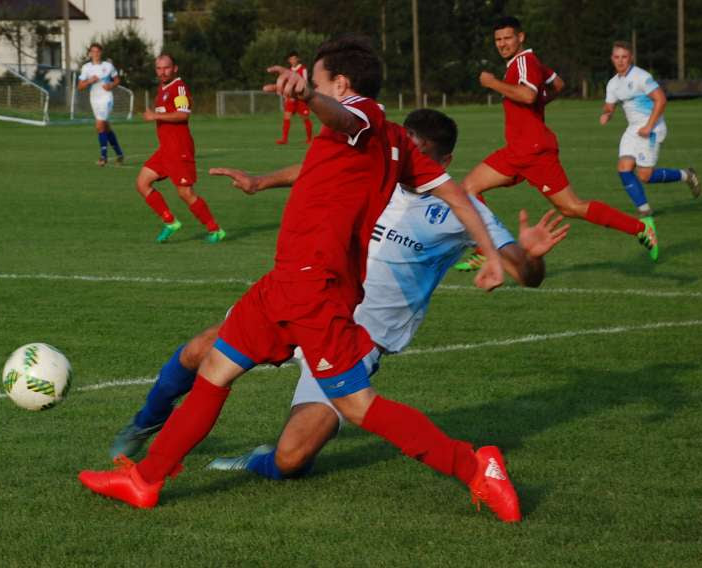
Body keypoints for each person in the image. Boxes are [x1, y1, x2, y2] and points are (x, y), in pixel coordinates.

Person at [78, 36, 520, 522]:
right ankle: (145, 480)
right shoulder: (397, 143)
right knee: (215, 369)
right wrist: (490, 252)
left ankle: (476, 467)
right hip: (287, 282)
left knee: (358, 407)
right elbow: (456, 195)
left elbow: (348, 118)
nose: (311, 85)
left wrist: (309, 97)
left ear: (342, 83)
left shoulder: (365, 117)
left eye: (317, 78)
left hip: (314, 288)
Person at [109, 110, 568, 507]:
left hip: (355, 339)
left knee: (292, 458)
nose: (406, 159)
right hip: (311, 299)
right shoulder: (380, 170)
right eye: (404, 147)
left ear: (443, 161)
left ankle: (256, 460)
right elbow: (316, 169)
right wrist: (262, 181)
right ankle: (144, 426)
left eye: (420, 153)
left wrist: (531, 256)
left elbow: (525, 274)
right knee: (200, 351)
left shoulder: (461, 208)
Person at [458, 16, 659, 266]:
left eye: (508, 38)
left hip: (533, 152)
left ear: (521, 37)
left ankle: (640, 228)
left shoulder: (524, 62)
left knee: (571, 207)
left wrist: (492, 83)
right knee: (468, 188)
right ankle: (484, 248)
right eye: (498, 39)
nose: (502, 43)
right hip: (518, 150)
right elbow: (558, 84)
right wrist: (535, 102)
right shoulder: (529, 62)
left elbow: (529, 95)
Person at [600, 40, 700, 218]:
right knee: (624, 168)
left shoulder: (641, 77)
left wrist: (649, 126)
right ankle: (644, 210)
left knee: (645, 176)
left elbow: (661, 99)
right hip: (633, 129)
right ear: (612, 58)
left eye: (624, 57)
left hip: (652, 128)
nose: (620, 61)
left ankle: (686, 175)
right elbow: (610, 105)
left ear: (631, 57)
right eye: (617, 57)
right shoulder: (613, 83)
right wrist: (607, 114)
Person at [136, 53, 225, 244]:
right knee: (142, 183)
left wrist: (155, 117)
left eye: (166, 68)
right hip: (165, 150)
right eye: (159, 68)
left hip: (179, 149)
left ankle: (215, 229)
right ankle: (170, 222)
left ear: (175, 68)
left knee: (185, 193)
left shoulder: (180, 88)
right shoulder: (162, 89)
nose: (162, 72)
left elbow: (183, 115)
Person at [77, 43, 124, 167]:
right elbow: (80, 87)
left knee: (99, 125)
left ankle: (103, 157)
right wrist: (89, 81)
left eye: (97, 51)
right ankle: (119, 154)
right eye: (93, 51)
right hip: (94, 99)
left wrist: (111, 85)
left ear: (101, 52)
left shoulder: (108, 66)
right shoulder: (86, 68)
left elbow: (117, 80)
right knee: (105, 127)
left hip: (106, 98)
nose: (95, 54)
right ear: (90, 53)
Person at [276, 51, 314, 145]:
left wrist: (300, 94)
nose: (292, 60)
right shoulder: (288, 71)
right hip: (291, 99)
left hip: (300, 98)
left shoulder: (303, 69)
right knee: (286, 116)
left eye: (294, 58)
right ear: (289, 61)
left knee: (305, 118)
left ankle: (309, 139)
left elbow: (305, 83)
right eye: (290, 59)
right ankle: (284, 139)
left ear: (298, 59)